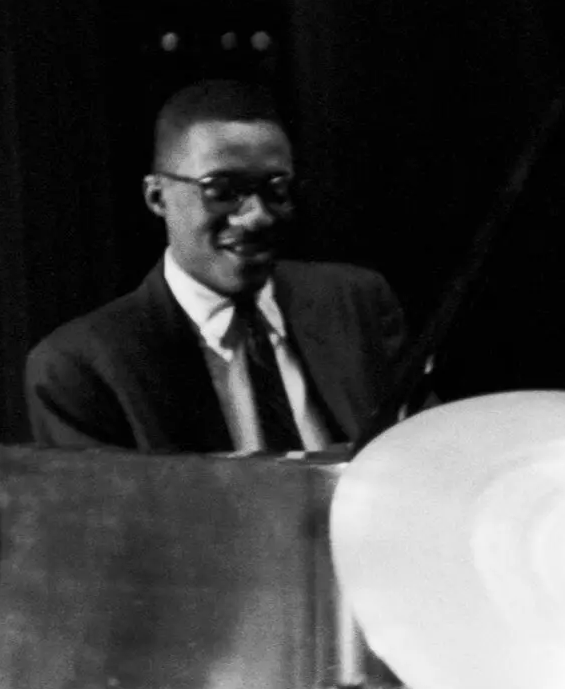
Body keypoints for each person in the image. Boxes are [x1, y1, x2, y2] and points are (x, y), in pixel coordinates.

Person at [24, 79, 408, 452]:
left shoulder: (354, 304)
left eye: (276, 189)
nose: (257, 216)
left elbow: (426, 463)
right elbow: (108, 517)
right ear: (157, 197)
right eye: (222, 191)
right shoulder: (82, 368)